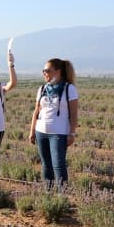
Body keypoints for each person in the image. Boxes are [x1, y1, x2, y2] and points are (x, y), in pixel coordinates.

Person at [29, 58, 79, 189]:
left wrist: (72, 133)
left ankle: (62, 196)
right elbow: (36, 111)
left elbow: (73, 114)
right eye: (43, 71)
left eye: (47, 70)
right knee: (46, 165)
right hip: (41, 132)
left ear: (58, 71)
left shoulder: (69, 89)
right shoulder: (42, 89)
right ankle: (48, 194)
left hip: (59, 132)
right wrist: (32, 131)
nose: (44, 73)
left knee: (58, 164)